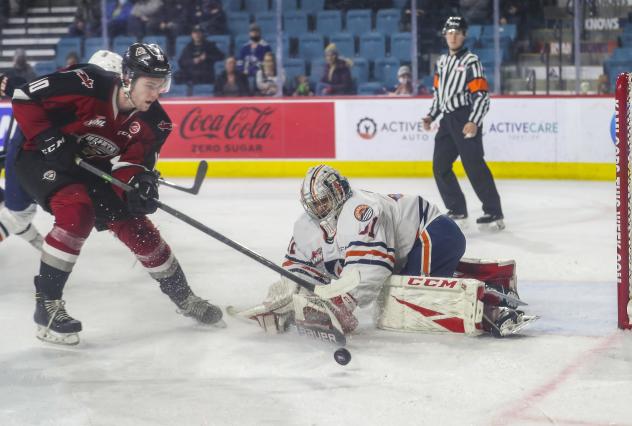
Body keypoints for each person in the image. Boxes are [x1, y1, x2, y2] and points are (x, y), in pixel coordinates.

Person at [11, 43, 224, 345]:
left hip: (89, 168)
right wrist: (50, 139)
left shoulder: (156, 122)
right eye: (150, 84)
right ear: (127, 77)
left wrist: (139, 184)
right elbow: (24, 96)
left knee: (138, 228)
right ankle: (47, 307)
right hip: (39, 158)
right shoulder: (87, 82)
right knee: (77, 212)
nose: (156, 93)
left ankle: (185, 298)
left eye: (162, 85)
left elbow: (133, 164)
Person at [233, 165, 534, 338]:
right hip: (409, 248)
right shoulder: (307, 225)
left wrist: (342, 303)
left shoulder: (360, 209)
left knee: (406, 297)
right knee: (396, 291)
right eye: (314, 205)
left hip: (433, 234)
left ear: (338, 192)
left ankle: (494, 308)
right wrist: (281, 302)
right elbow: (299, 270)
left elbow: (372, 266)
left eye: (324, 202)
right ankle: (493, 277)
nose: (319, 210)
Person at [422, 16, 504, 230]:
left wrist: (474, 121)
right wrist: (431, 115)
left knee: (474, 166)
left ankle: (493, 211)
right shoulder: (442, 62)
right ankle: (457, 208)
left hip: (465, 118)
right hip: (448, 120)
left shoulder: (471, 61)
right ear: (444, 35)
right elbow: (438, 95)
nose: (453, 36)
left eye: (457, 32)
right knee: (440, 166)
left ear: (464, 35)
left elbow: (482, 96)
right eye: (449, 32)